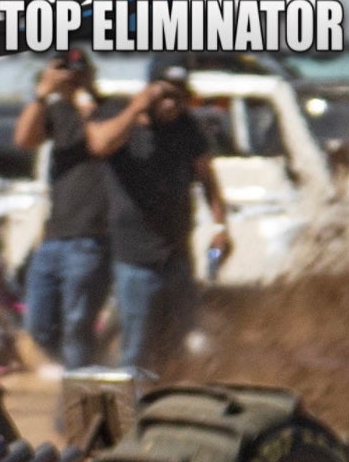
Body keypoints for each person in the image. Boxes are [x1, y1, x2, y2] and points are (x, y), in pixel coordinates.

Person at [12, 50, 144, 370]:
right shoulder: (56, 111)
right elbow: (24, 140)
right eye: (65, 70)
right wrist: (42, 93)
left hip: (92, 237)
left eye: (78, 70)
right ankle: (88, 372)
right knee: (39, 326)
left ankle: (77, 399)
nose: (72, 77)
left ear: (91, 73)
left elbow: (101, 144)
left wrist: (86, 103)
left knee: (77, 326)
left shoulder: (112, 108)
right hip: (54, 235)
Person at [101, 68, 230, 379]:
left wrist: (220, 226)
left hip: (177, 257)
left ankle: (165, 407)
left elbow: (207, 179)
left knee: (176, 344)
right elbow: (100, 145)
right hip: (135, 259)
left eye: (179, 96)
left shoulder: (188, 129)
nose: (172, 104)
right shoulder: (126, 124)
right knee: (135, 350)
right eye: (165, 95)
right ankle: (129, 417)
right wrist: (136, 107)